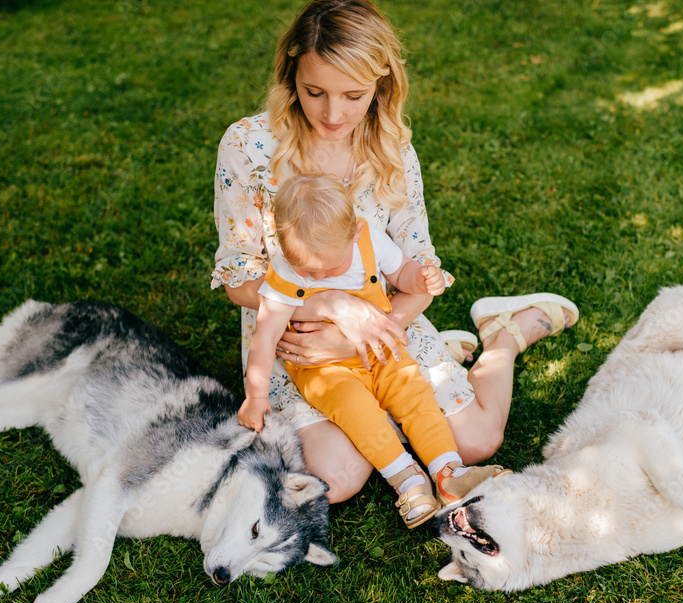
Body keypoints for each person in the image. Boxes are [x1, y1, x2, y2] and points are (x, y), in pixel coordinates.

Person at [211, 0, 578, 503]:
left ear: (381, 86)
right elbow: (239, 281)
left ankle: (502, 339)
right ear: (290, 73)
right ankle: (410, 395)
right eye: (313, 91)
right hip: (293, 338)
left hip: (386, 322)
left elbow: (420, 270)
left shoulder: (391, 150)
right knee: (337, 480)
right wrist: (328, 307)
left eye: (353, 95)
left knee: (477, 441)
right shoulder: (248, 146)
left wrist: (365, 335)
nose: (332, 113)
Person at [237, 173, 510, 527]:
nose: (317, 278)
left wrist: (420, 278)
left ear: (356, 233)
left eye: (329, 268)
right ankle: (407, 479)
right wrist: (255, 396)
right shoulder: (287, 271)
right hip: (324, 369)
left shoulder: (370, 241)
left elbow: (403, 272)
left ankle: (448, 471)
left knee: (415, 394)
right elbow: (264, 337)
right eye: (308, 270)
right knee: (358, 411)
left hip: (378, 348)